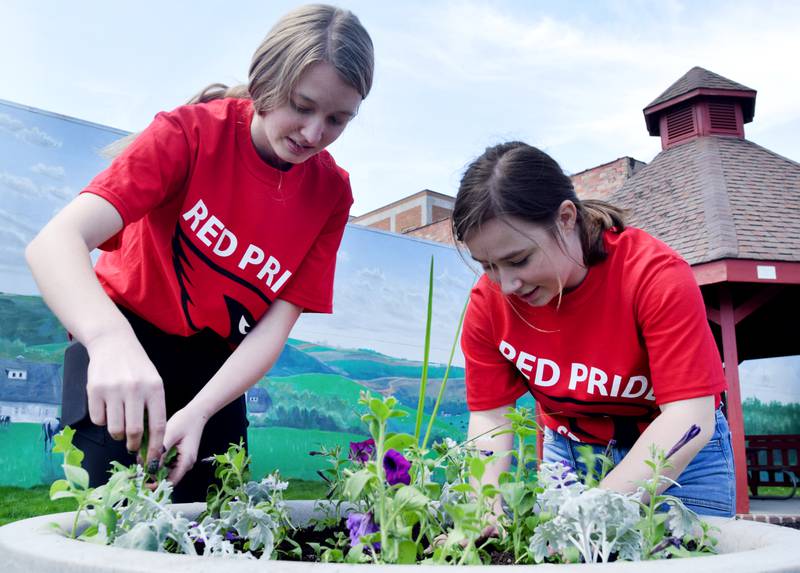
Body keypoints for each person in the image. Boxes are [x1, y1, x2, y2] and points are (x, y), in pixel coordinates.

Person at [25, 4, 374, 502]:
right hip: (126, 346)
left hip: (217, 375)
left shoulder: (332, 194)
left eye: (338, 119)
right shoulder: (189, 134)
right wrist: (108, 342)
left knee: (216, 532)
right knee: (110, 525)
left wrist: (201, 410)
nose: (314, 134)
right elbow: (53, 245)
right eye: (302, 105)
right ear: (265, 81)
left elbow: (273, 328)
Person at [453, 141, 735, 517]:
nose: (506, 285)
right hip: (571, 452)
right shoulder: (489, 303)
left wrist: (590, 512)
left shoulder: (653, 276)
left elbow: (688, 417)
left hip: (679, 455)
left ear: (566, 217)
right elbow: (491, 416)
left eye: (518, 260)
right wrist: (484, 507)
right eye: (487, 265)